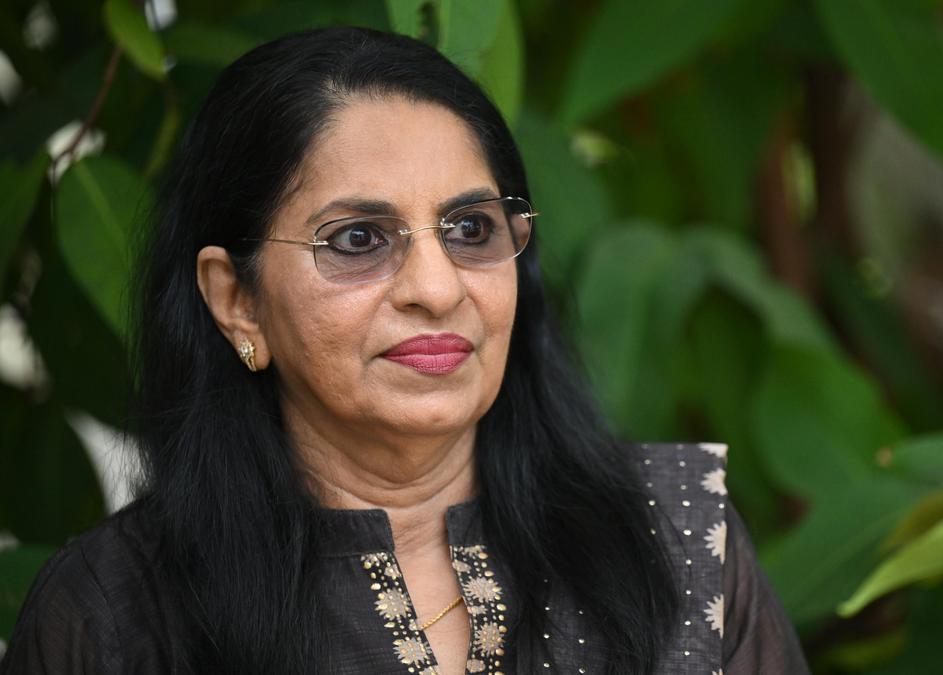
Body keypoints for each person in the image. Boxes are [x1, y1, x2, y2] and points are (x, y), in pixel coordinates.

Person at [0, 26, 807, 674]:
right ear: (237, 300)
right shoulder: (116, 615)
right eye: (358, 238)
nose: (437, 287)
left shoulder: (675, 537)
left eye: (471, 228)